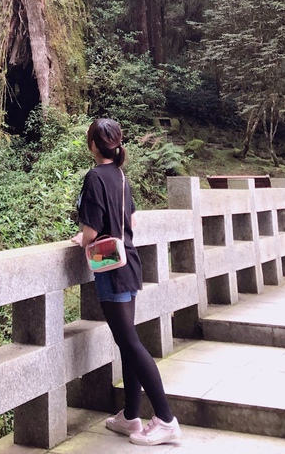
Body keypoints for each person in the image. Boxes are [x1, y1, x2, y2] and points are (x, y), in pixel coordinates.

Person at [71, 118, 182, 447]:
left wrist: (81, 239)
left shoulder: (94, 177)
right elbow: (131, 219)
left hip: (111, 268)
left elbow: (91, 231)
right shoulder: (119, 175)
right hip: (130, 262)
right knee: (127, 341)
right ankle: (131, 416)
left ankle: (165, 419)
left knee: (131, 343)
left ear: (93, 144)